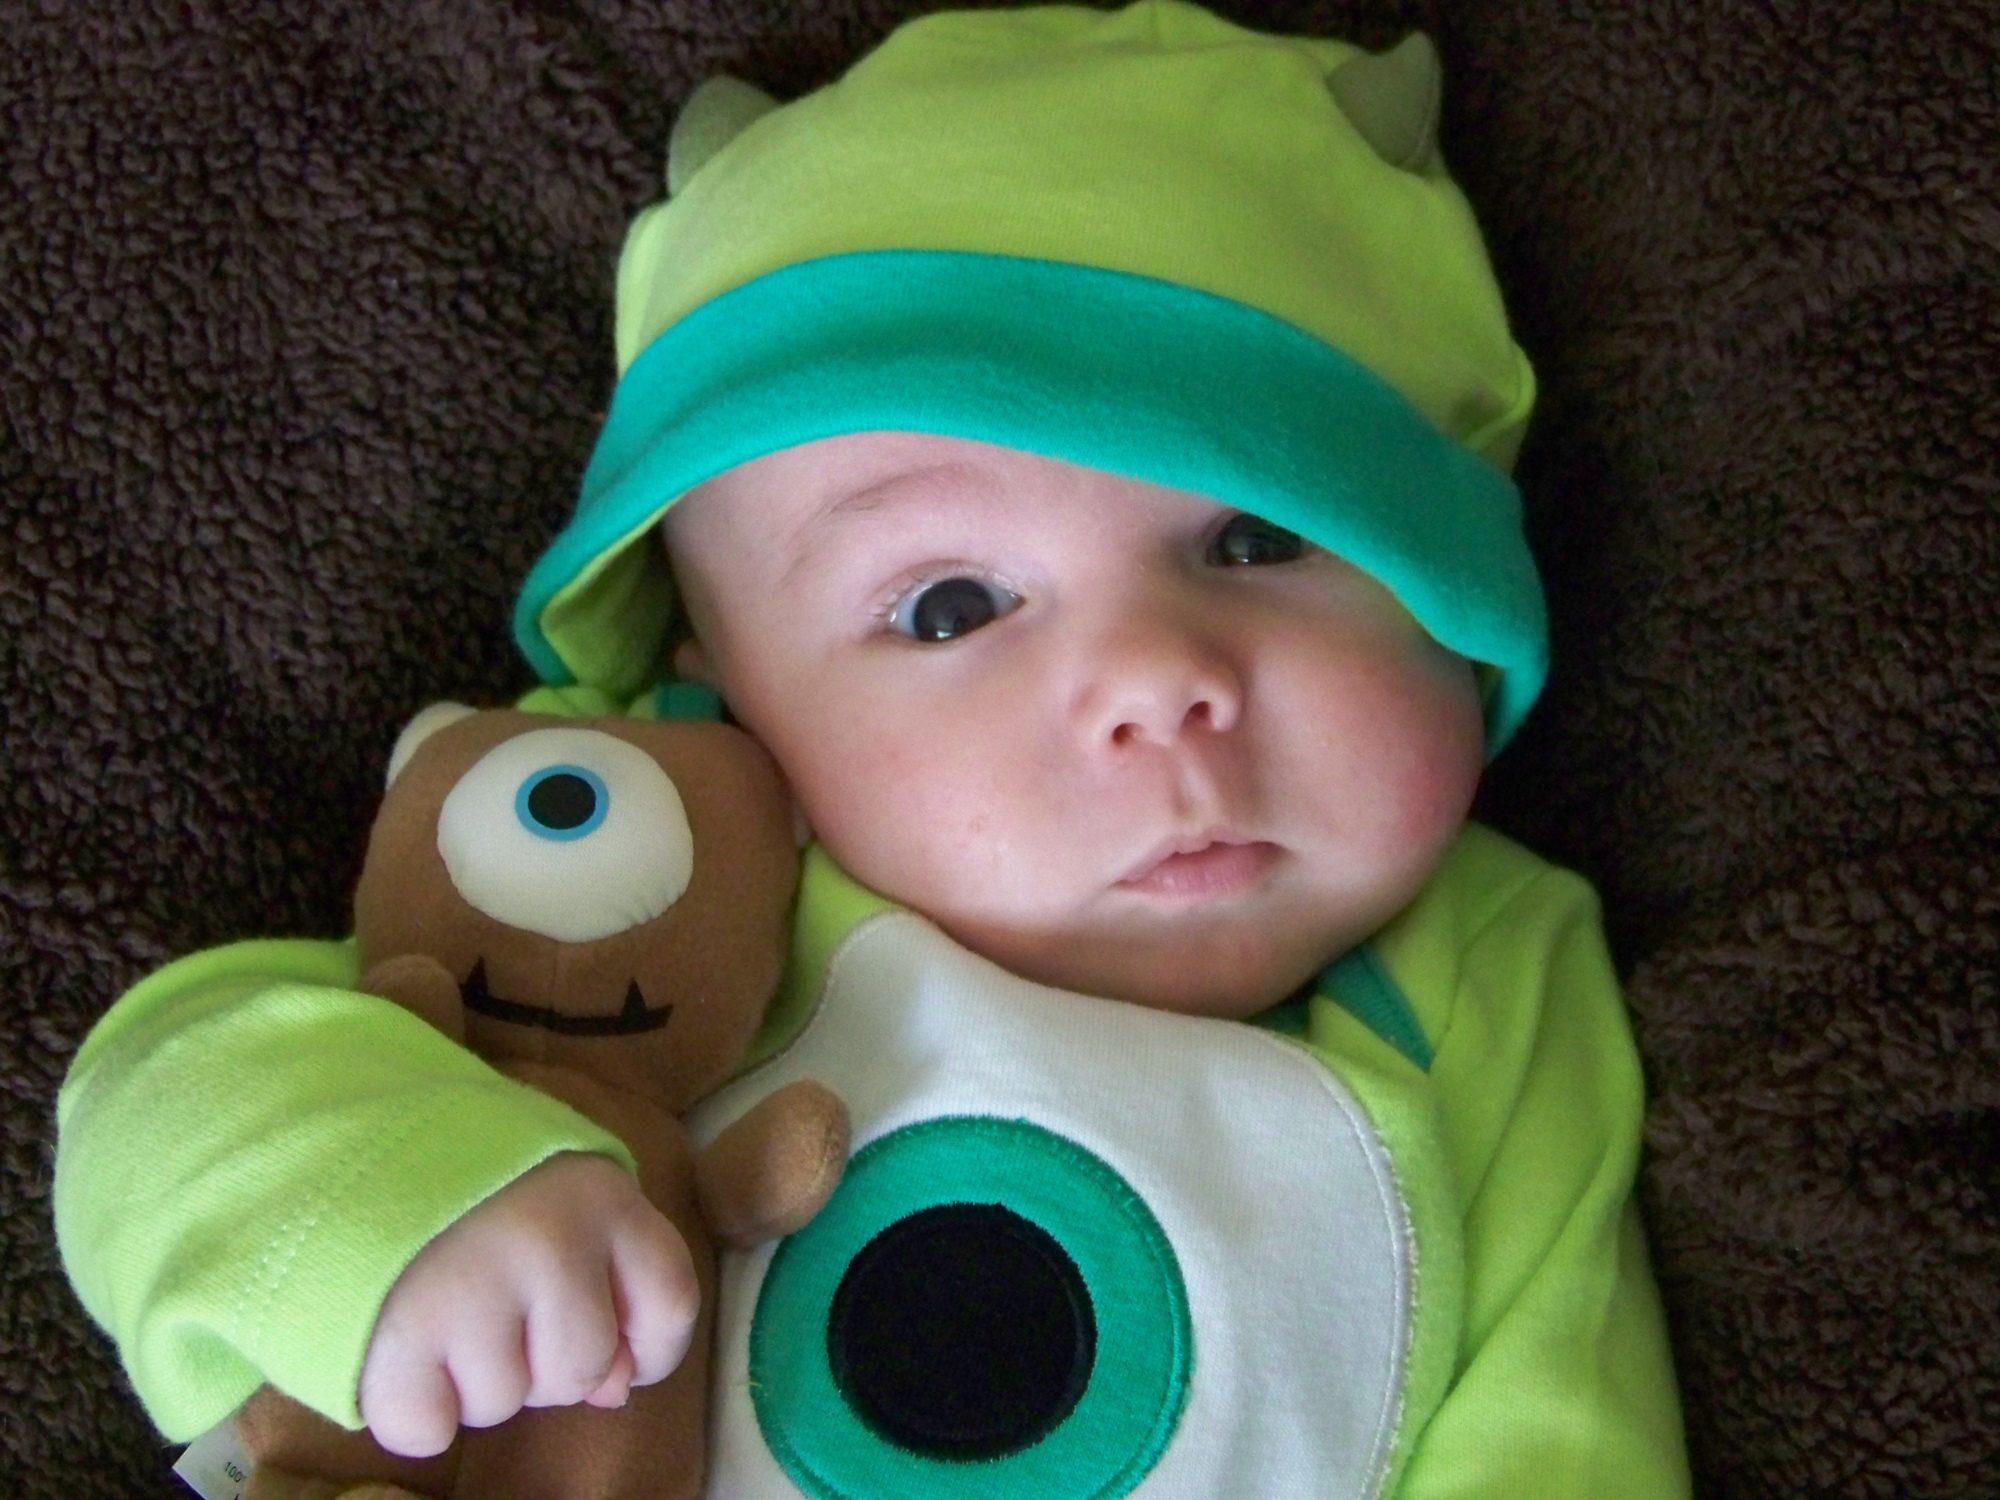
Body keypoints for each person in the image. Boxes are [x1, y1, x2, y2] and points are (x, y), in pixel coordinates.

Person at [53, 1, 1693, 1494]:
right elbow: (172, 1091)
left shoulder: (1491, 978)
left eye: (1258, 539)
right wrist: (397, 1204)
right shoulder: (629, 871)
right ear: (728, 691)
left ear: (1455, 590)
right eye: (951, 606)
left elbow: (1562, 1427)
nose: (1157, 681)